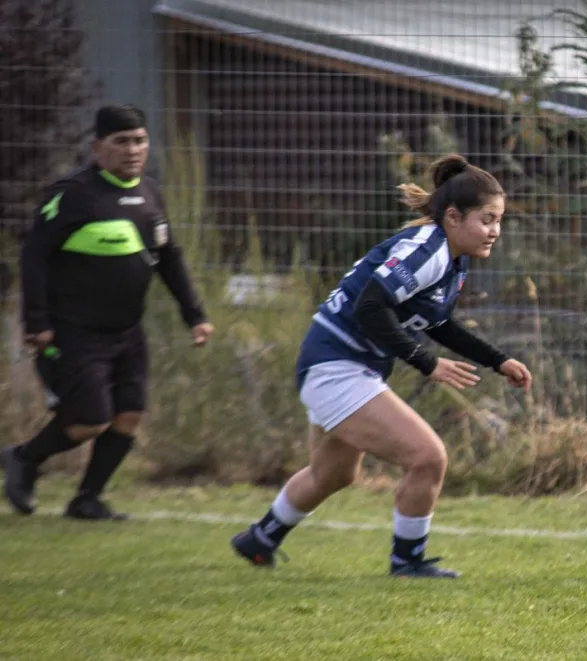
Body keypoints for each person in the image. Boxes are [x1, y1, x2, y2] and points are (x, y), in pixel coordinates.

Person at [230, 154, 532, 578]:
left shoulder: (450, 257)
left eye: (499, 221)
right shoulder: (427, 250)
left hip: (339, 364)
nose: (495, 231)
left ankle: (261, 538)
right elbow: (370, 306)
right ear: (453, 216)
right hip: (335, 365)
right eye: (487, 220)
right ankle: (407, 562)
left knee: (333, 473)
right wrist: (426, 362)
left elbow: (437, 323)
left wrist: (497, 360)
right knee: (428, 457)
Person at [1, 105, 214, 520]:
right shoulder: (72, 194)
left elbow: (169, 257)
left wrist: (195, 315)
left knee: (129, 415)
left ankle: (87, 499)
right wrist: (37, 321)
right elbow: (34, 256)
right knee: (89, 421)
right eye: (121, 142)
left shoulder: (150, 193)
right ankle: (23, 458)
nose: (132, 150)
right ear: (98, 146)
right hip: (75, 330)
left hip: (128, 331)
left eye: (140, 141)